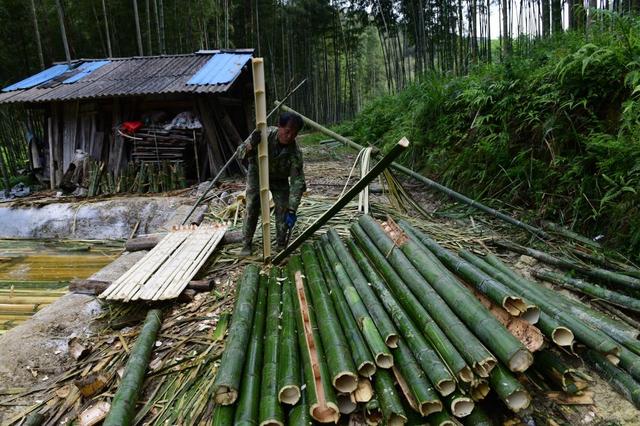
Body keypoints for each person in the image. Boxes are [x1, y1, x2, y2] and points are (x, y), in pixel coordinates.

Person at [237, 112, 306, 256]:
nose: (290, 136)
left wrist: (292, 209)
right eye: (287, 131)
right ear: (279, 127)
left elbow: (297, 182)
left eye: (294, 134)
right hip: (258, 173)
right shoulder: (264, 134)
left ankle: (281, 245)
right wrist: (251, 145)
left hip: (279, 178)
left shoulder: (295, 152)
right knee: (252, 206)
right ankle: (246, 244)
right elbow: (240, 154)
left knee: (283, 209)